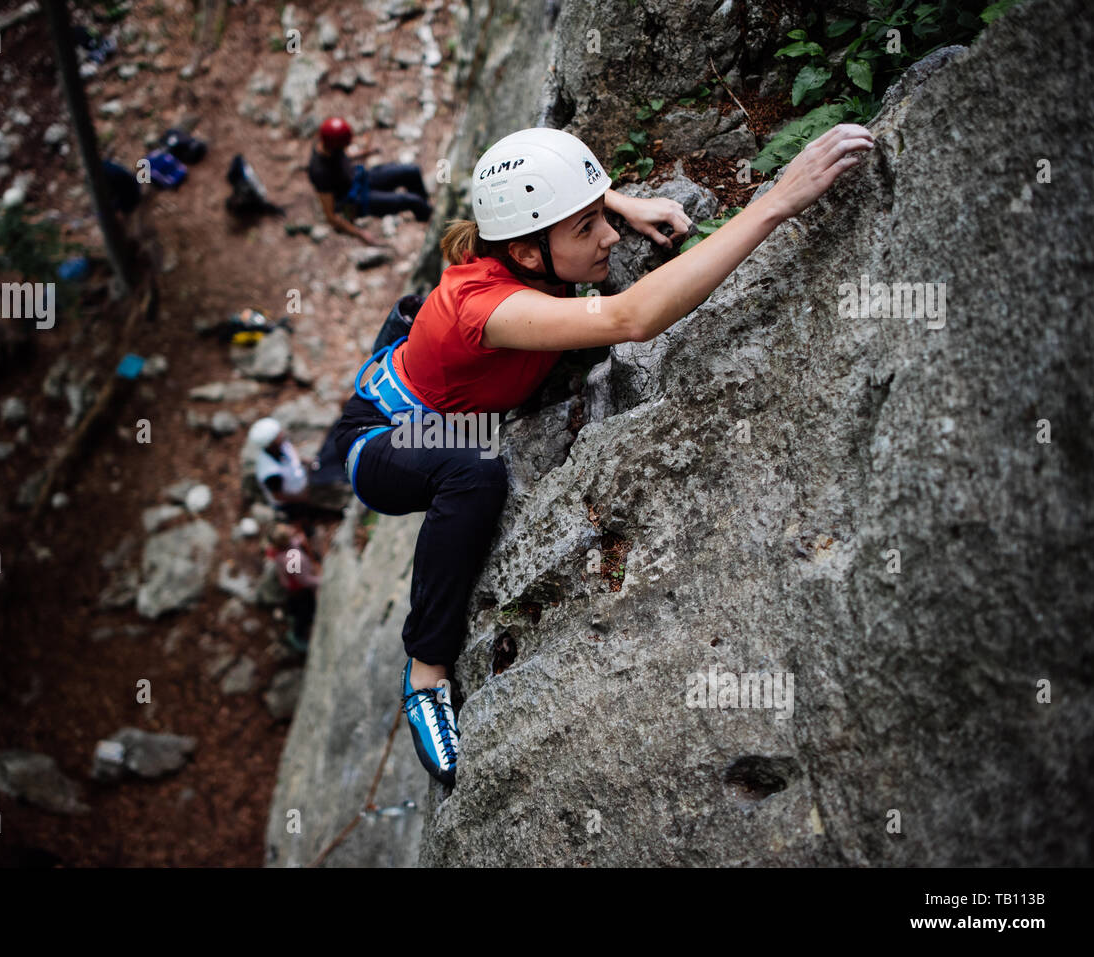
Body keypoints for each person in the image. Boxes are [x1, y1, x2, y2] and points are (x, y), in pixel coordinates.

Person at [329, 123, 876, 787]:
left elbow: (544, 216)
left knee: (481, 384)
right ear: (530, 255)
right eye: (588, 228)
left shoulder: (524, 249)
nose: (609, 240)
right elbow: (629, 319)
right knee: (473, 465)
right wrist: (777, 202)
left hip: (422, 359)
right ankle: (425, 674)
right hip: (385, 435)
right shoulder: (487, 309)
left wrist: (620, 201)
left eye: (598, 220)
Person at [307, 116, 433, 247]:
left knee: (412, 171)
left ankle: (424, 213)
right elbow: (331, 216)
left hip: (361, 177)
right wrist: (361, 234)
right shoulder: (319, 172)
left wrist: (364, 153)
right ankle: (433, 221)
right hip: (356, 200)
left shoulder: (323, 143)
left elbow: (343, 155)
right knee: (412, 201)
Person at [263, 522, 322, 653]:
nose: (291, 528)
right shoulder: (293, 559)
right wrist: (321, 581)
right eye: (288, 530)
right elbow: (303, 580)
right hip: (299, 591)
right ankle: (297, 637)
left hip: (291, 588)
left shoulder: (278, 550)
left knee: (294, 608)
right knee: (304, 613)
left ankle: (292, 618)